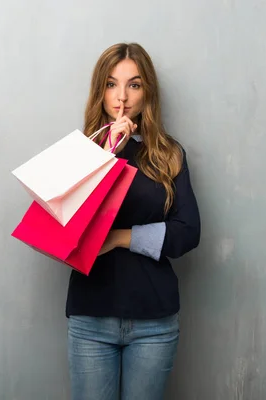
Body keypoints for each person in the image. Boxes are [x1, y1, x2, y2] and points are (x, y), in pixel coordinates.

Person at [66, 42, 201, 400]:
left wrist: (120, 237)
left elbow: (188, 233)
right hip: (91, 316)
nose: (121, 97)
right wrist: (107, 150)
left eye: (134, 85)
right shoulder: (81, 152)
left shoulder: (168, 154)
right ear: (100, 91)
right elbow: (68, 226)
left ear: (147, 92)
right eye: (112, 84)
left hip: (154, 321)